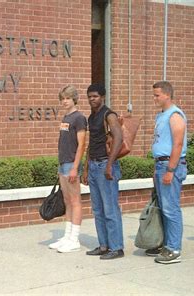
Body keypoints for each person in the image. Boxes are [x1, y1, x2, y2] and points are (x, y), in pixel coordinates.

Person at [82, 83, 125, 260]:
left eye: (95, 96)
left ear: (103, 97)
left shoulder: (109, 115)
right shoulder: (92, 117)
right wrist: (85, 168)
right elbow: (91, 144)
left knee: (110, 209)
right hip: (93, 166)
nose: (92, 99)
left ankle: (117, 247)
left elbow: (119, 138)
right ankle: (104, 245)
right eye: (89, 96)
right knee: (98, 209)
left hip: (105, 167)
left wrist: (110, 164)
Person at [148, 81, 188, 264]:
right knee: (164, 208)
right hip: (160, 165)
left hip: (170, 165)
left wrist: (170, 170)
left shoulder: (175, 115)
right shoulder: (161, 116)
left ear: (167, 95)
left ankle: (174, 249)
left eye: (157, 95)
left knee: (171, 209)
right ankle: (166, 244)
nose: (155, 98)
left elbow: (178, 144)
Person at [49, 85, 87, 253]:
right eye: (62, 98)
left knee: (75, 201)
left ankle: (75, 239)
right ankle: (67, 235)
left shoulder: (79, 118)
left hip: (71, 163)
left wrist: (75, 167)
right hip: (62, 163)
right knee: (67, 201)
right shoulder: (66, 117)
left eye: (67, 98)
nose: (64, 101)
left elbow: (81, 145)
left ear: (74, 99)